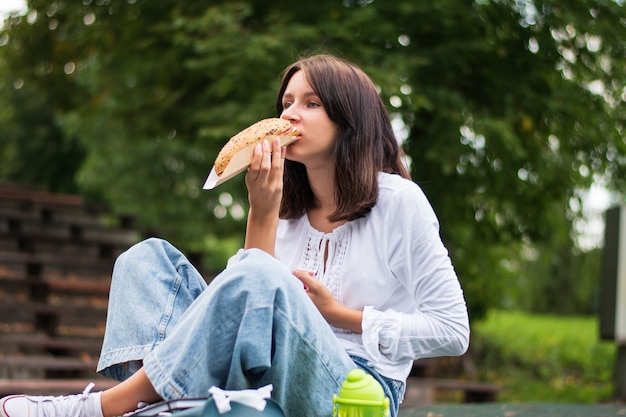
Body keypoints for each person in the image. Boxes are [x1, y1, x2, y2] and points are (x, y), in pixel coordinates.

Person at [0, 54, 470, 417]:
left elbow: (453, 332)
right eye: (286, 102)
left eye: (311, 103)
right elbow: (247, 301)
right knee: (145, 259)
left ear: (350, 120)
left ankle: (108, 406)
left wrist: (340, 315)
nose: (291, 115)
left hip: (354, 387)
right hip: (265, 372)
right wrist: (262, 213)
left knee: (260, 276)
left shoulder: (398, 202)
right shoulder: (285, 203)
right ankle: (165, 407)